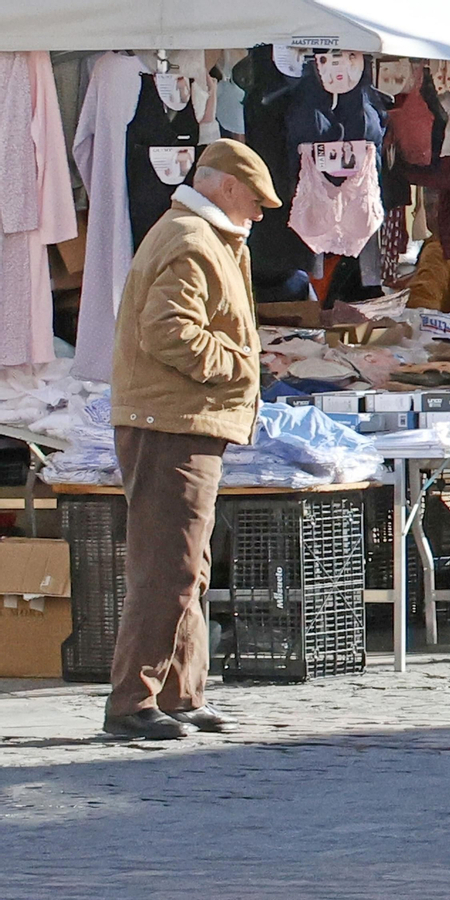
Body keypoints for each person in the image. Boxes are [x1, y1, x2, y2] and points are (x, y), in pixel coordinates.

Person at [104, 139, 279, 740]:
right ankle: (133, 701)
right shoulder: (191, 239)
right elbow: (167, 330)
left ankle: (181, 694)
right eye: (255, 200)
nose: (259, 213)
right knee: (169, 568)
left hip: (181, 421)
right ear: (227, 187)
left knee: (187, 568)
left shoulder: (198, 236)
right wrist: (238, 367)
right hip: (172, 423)